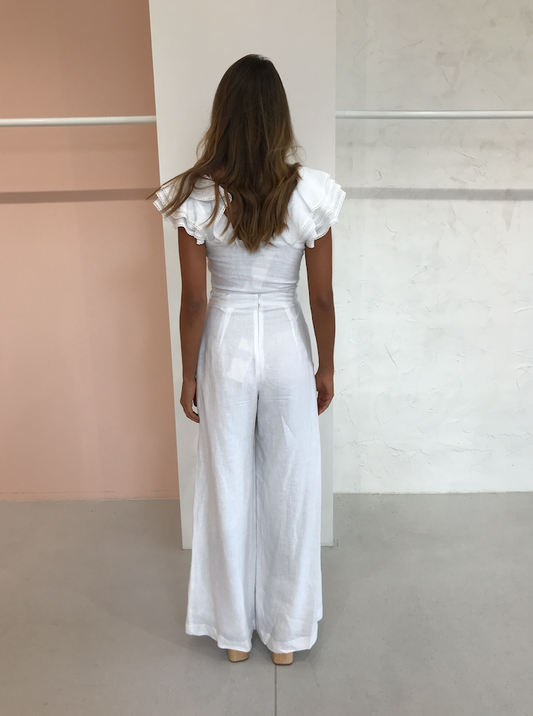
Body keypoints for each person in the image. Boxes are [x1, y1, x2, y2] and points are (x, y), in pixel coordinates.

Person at [151, 54, 345, 665]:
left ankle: (234, 634)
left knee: (226, 482)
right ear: (279, 117)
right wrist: (326, 366)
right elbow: (321, 298)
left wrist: (188, 374)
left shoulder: (195, 195)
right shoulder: (309, 192)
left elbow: (193, 301)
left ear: (224, 115)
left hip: (226, 344)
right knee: (292, 486)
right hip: (287, 342)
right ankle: (286, 637)